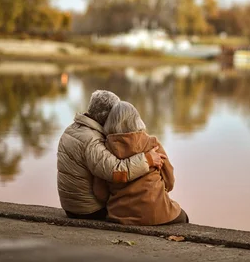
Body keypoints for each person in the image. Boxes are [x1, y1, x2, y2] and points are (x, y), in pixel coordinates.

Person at [57, 90, 166, 220]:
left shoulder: (73, 129)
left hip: (72, 206)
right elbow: (116, 171)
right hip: (88, 210)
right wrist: (148, 159)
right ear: (107, 116)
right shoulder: (92, 141)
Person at [93, 101, 188, 225]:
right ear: (137, 120)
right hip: (158, 213)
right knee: (183, 216)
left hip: (119, 215)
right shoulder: (151, 143)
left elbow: (100, 192)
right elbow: (169, 182)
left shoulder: (104, 150)